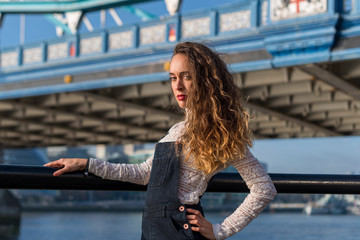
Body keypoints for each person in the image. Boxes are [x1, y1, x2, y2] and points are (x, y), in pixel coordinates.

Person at [44, 41, 277, 240]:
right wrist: (87, 165)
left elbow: (264, 188)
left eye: (187, 76)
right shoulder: (177, 130)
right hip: (154, 230)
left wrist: (220, 230)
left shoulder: (220, 133)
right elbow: (145, 174)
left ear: (205, 81)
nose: (178, 85)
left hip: (182, 230)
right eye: (173, 77)